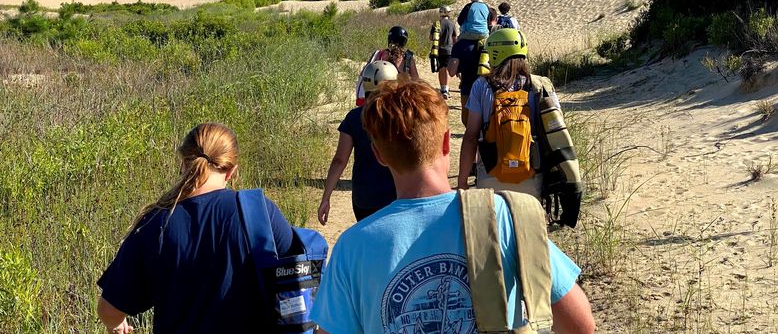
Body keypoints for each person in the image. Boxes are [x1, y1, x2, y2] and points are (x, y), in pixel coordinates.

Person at [309, 79, 594, 334]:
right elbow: (579, 325)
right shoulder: (505, 216)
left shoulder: (352, 247)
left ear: (379, 155)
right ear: (447, 143)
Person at [96, 123, 295, 334]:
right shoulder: (260, 212)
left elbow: (109, 311)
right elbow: (299, 279)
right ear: (231, 171)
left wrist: (116, 326)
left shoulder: (155, 223)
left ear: (183, 163)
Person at [458, 28, 552, 196]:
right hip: (532, 172)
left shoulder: (481, 85)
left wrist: (462, 181)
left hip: (491, 172)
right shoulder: (540, 85)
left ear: (494, 53)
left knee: (494, 221)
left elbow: (471, 136)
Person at [319, 60, 399, 224]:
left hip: (364, 197)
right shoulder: (401, 116)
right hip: (396, 195)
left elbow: (340, 160)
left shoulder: (354, 117)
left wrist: (326, 197)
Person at [429, 5, 457, 99]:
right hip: (449, 50)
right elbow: (454, 38)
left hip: (438, 50)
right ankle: (446, 90)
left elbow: (431, 37)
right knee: (446, 70)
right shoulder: (452, 24)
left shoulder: (436, 23)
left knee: (441, 69)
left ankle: (442, 89)